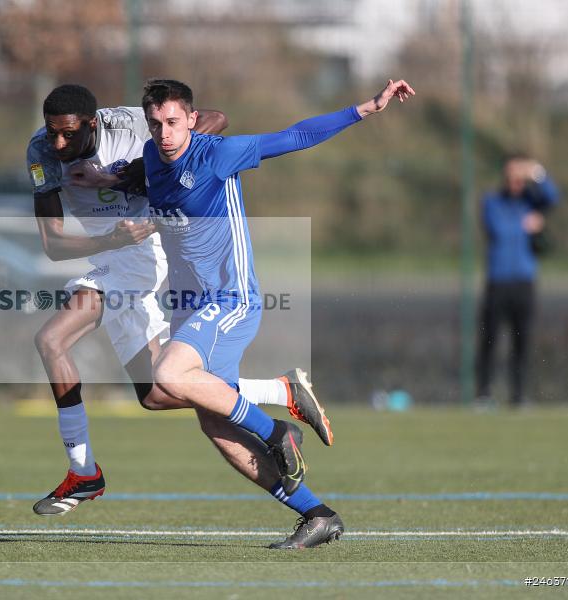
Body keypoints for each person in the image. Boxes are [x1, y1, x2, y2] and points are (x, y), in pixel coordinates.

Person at [25, 84, 334, 517]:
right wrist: (110, 237)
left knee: (51, 340)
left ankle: (84, 471)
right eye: (52, 132)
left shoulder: (129, 124)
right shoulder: (41, 153)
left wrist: (130, 171)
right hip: (112, 253)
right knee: (155, 393)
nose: (59, 143)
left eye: (69, 135)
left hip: (145, 253)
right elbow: (54, 245)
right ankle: (279, 392)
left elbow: (214, 119)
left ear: (92, 124)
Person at [141, 78, 415, 548]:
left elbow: (295, 136)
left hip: (230, 298)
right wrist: (104, 180)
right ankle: (316, 513)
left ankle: (276, 428)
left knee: (167, 373)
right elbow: (140, 175)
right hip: (190, 305)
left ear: (190, 117)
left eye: (172, 122)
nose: (164, 133)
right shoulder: (151, 157)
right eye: (155, 123)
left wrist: (366, 108)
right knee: (210, 420)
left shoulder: (216, 155)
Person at [476, 154, 559, 408]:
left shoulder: (531, 202)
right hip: (498, 281)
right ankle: (484, 395)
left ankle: (520, 395)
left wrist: (538, 172)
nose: (516, 182)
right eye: (512, 176)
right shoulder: (493, 202)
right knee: (489, 339)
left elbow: (554, 197)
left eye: (520, 177)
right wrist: (526, 225)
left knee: (522, 340)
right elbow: (498, 229)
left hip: (524, 281)